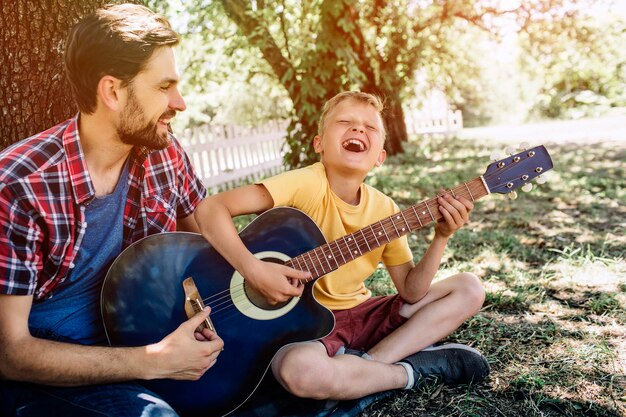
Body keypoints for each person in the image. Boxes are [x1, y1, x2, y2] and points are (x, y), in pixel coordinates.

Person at [194, 91, 489, 402]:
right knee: (301, 373)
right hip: (307, 327)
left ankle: (370, 364)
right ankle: (408, 372)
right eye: (345, 122)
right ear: (319, 143)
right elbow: (210, 209)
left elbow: (412, 291)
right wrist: (253, 269)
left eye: (370, 128)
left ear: (379, 157)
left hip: (362, 314)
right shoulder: (305, 183)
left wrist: (441, 236)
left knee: (469, 288)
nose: (358, 130)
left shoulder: (385, 209)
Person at [0, 4, 223, 416]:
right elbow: (10, 353)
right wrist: (154, 360)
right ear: (113, 91)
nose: (181, 102)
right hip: (48, 374)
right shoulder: (19, 185)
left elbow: (208, 247)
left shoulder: (165, 154)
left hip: (143, 337)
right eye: (164, 87)